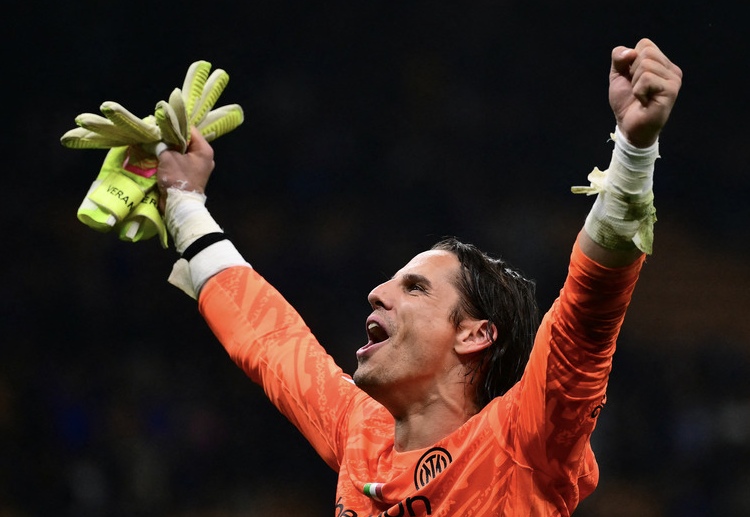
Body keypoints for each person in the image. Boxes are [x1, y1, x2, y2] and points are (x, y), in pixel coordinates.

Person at [155, 38, 682, 516]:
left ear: (474, 334)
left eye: (415, 287)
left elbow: (587, 315)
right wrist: (182, 201)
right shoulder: (364, 436)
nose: (376, 293)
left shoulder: (521, 441)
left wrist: (634, 153)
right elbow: (269, 340)